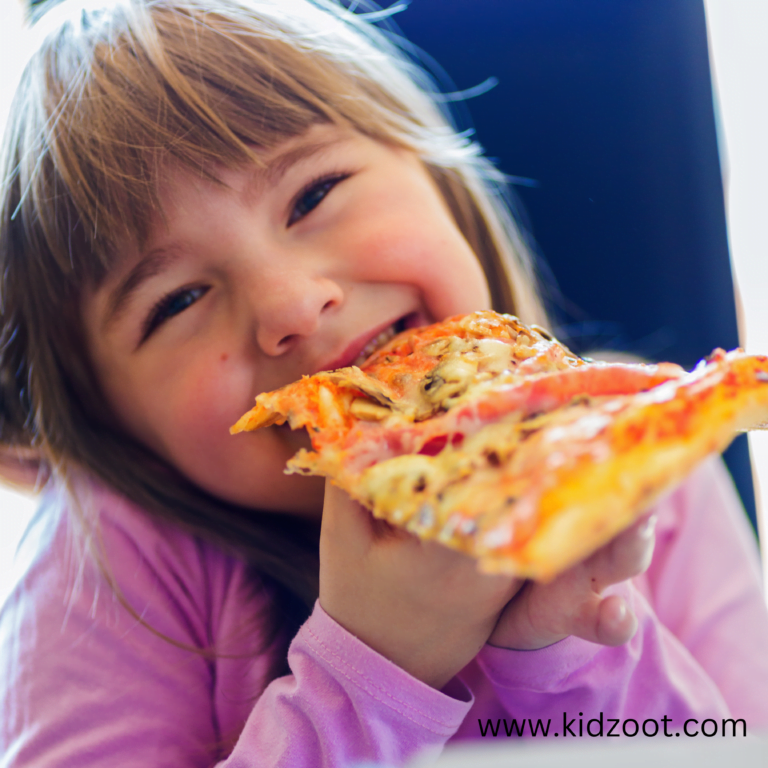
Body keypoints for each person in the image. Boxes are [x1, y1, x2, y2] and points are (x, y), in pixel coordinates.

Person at [1, 0, 767, 765]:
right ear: (107, 424)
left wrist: (569, 651)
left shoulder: (643, 453)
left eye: (313, 194)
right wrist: (369, 667)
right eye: (177, 301)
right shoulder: (102, 567)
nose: (292, 305)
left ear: (437, 175)